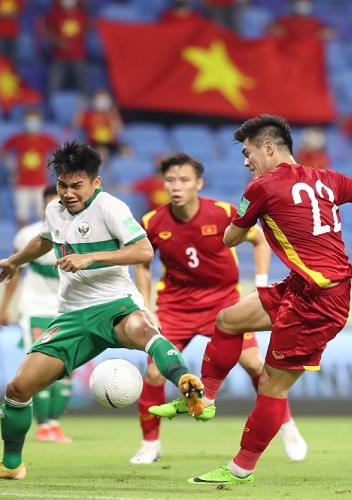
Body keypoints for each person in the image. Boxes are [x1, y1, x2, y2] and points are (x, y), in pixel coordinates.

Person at [150, 114, 352, 483]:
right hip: (302, 286)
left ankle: (241, 468)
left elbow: (230, 239)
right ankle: (203, 398)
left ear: (268, 148)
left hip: (320, 300)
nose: (246, 162)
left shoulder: (261, 187)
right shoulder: (328, 178)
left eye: (248, 153)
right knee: (228, 319)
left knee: (272, 386)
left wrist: (245, 212)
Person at [0, 140, 205, 481]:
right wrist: (15, 261)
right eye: (63, 185)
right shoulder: (54, 210)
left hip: (115, 303)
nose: (68, 193)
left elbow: (144, 251)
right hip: (73, 315)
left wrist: (90, 257)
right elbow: (44, 240)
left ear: (95, 182)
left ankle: (185, 382)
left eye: (77, 185)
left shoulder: (110, 208)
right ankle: (11, 464)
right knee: (18, 389)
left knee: (145, 331)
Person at [131, 153, 306, 465]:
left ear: (199, 183)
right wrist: (145, 305)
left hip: (223, 302)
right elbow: (143, 263)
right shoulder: (152, 221)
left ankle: (286, 424)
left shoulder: (223, 212)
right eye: (170, 180)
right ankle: (150, 445)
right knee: (155, 372)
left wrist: (261, 284)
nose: (176, 186)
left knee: (254, 363)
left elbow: (260, 241)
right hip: (175, 307)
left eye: (184, 180)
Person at [0, 185, 73, 444]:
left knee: (66, 371)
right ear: (42, 209)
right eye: (49, 205)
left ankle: (54, 423)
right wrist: (4, 307)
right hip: (36, 308)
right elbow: (15, 271)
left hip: (68, 310)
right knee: (39, 368)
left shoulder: (79, 235)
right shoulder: (28, 236)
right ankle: (43, 425)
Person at [0, 108, 60, 228]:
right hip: (21, 184)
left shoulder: (45, 139)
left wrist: (51, 166)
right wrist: (10, 164)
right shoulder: (17, 139)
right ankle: (21, 239)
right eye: (29, 120)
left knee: (44, 217)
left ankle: (43, 240)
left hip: (41, 184)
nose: (32, 124)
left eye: (34, 120)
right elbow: (1, 152)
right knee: (22, 217)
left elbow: (60, 151)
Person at [46, 0, 89, 94]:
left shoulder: (82, 15)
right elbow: (48, 31)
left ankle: (84, 102)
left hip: (78, 56)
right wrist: (58, 41)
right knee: (53, 87)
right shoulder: (55, 15)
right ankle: (52, 101)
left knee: (82, 86)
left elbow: (87, 29)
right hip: (59, 56)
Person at [73, 88, 126, 162]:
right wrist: (80, 107)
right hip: (94, 143)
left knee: (126, 150)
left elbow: (120, 129)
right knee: (102, 151)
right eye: (100, 99)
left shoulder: (111, 115)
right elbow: (76, 125)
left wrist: (114, 112)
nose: (102, 102)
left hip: (111, 143)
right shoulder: (89, 115)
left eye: (105, 99)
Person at [268, 0, 335, 39]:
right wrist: (275, 29)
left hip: (309, 51)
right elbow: (270, 28)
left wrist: (326, 33)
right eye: (299, 4)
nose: (302, 6)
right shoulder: (284, 20)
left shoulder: (315, 22)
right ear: (292, 5)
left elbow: (331, 33)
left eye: (305, 4)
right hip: (287, 51)